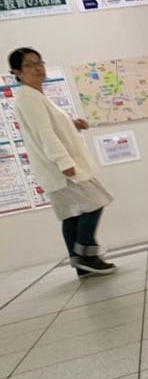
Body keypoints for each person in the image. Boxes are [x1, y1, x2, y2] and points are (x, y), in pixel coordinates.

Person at [8, 47, 117, 277]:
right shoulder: (28, 98)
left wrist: (72, 124)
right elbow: (45, 135)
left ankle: (81, 264)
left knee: (72, 214)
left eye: (39, 62)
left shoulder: (35, 96)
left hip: (56, 168)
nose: (38, 68)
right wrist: (64, 163)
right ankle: (87, 255)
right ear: (17, 72)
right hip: (61, 168)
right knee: (95, 202)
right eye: (29, 64)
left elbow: (50, 127)